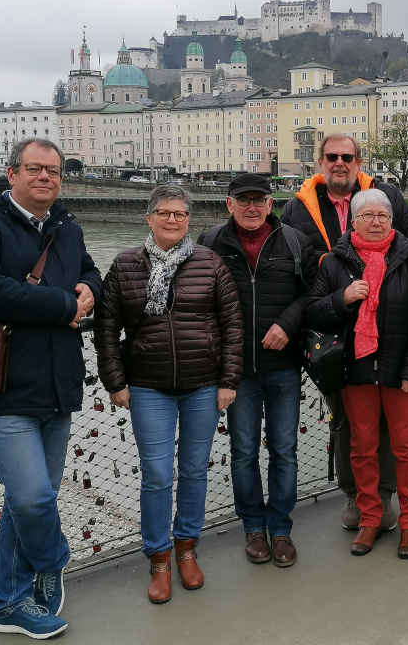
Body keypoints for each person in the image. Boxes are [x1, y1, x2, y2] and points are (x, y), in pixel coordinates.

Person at [0, 137, 101, 639]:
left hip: (58, 383)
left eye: (54, 171)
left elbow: (89, 273)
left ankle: (8, 602)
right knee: (34, 498)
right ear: (11, 173)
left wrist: (88, 290)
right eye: (35, 169)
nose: (46, 178)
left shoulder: (67, 226)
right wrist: (64, 306)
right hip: (3, 385)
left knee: (28, 497)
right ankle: (53, 560)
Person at [94, 185, 242, 604]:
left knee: (195, 470)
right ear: (149, 218)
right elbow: (107, 329)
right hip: (148, 386)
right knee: (157, 476)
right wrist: (115, 381)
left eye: (179, 213)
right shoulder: (125, 266)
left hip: (202, 385)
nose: (172, 220)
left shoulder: (210, 263)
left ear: (188, 219)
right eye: (164, 213)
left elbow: (233, 326)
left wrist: (229, 380)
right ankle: (158, 558)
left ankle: (187, 549)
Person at [282, 133, 408, 532]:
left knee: (391, 429)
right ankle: (356, 496)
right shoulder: (297, 208)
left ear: (359, 161)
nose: (340, 163)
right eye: (332, 157)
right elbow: (295, 272)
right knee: (348, 423)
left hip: (390, 333)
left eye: (348, 156)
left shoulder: (386, 196)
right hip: (334, 338)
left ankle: (384, 497)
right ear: (320, 162)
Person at [304, 189, 408, 558]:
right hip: (355, 370)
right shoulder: (333, 262)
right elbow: (313, 312)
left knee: (407, 448)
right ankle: (369, 519)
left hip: (399, 372)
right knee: (362, 447)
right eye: (368, 216)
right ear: (354, 221)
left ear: (392, 221)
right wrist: (342, 299)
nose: (376, 222)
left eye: (383, 215)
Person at [198, 173, 317, 568]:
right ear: (228, 204)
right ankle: (253, 526)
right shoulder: (211, 243)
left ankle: (280, 529)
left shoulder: (295, 242)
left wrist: (288, 323)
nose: (252, 207)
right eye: (243, 200)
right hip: (236, 371)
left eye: (259, 200)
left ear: (271, 205)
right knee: (244, 451)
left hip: (283, 365)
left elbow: (312, 293)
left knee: (285, 451)